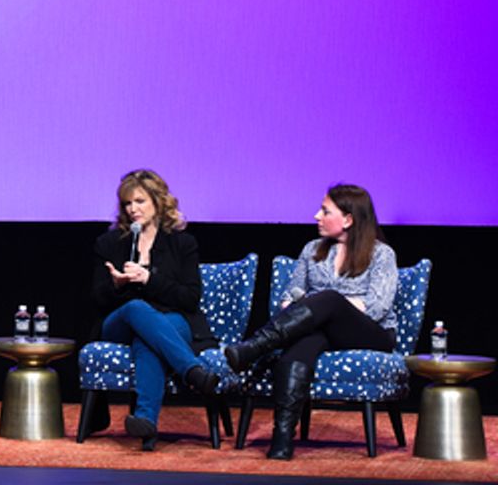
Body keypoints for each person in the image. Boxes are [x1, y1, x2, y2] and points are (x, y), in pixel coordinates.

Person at [224, 184, 398, 459]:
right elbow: (291, 294)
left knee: (328, 299)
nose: (317, 215)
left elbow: (376, 307)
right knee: (303, 344)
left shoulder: (381, 254)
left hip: (371, 333)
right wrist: (292, 304)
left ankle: (254, 346)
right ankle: (282, 437)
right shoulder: (312, 250)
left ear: (348, 219)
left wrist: (328, 304)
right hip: (322, 330)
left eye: (325, 211)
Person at [90, 169, 220, 450]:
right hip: (120, 321)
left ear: (158, 202)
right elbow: (96, 299)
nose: (132, 209)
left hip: (173, 320)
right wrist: (117, 285)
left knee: (147, 339)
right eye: (127, 203)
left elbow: (190, 298)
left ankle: (145, 422)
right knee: (136, 308)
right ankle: (193, 371)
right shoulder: (110, 243)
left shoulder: (183, 243)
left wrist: (149, 279)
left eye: (140, 201)